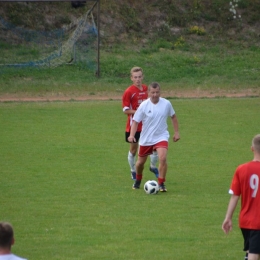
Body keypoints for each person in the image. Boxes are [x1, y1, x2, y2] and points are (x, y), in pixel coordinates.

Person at [128, 82, 180, 192]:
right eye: (152, 92)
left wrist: (176, 132)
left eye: (157, 92)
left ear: (160, 92)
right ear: (148, 93)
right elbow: (136, 121)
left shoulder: (166, 104)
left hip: (161, 136)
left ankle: (161, 183)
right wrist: (132, 135)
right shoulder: (144, 105)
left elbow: (173, 117)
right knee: (140, 163)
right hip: (146, 138)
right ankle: (138, 180)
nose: (155, 95)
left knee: (163, 158)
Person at [222, 134, 260, 260]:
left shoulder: (241, 169)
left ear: (252, 149)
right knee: (254, 254)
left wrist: (228, 218)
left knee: (251, 251)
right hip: (258, 222)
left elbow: (234, 196)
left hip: (245, 221)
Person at [122, 67, 159, 181]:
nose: (138, 79)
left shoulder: (146, 89)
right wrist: (139, 112)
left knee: (155, 147)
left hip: (147, 125)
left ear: (142, 77)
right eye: (135, 77)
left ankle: (153, 166)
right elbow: (125, 110)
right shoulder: (129, 92)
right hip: (134, 126)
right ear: (131, 78)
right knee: (133, 150)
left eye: (139, 77)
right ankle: (133, 170)